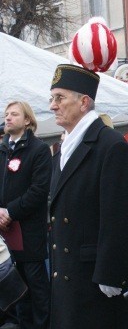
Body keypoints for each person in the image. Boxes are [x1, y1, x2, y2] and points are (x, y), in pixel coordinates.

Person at [48, 18, 128, 328]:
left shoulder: (109, 145)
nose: (52, 106)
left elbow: (119, 215)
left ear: (84, 102)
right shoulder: (65, 146)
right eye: (52, 98)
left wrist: (111, 274)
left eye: (59, 98)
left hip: (93, 278)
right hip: (67, 273)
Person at [0, 101, 52, 329]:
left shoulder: (38, 150)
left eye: (14, 114)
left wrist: (10, 211)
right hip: (5, 232)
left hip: (29, 232)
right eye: (6, 114)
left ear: (28, 120)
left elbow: (39, 190)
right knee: (14, 288)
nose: (8, 118)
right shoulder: (2, 149)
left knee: (36, 288)